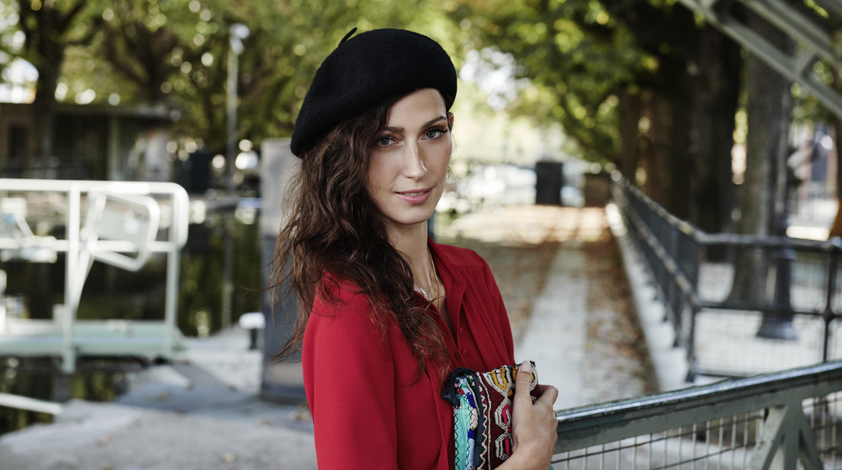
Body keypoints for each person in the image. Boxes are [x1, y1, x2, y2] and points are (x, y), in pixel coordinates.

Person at [274, 28, 559, 469]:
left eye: (432, 133)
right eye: (386, 139)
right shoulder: (348, 313)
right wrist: (531, 458)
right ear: (345, 157)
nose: (418, 167)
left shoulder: (473, 274)